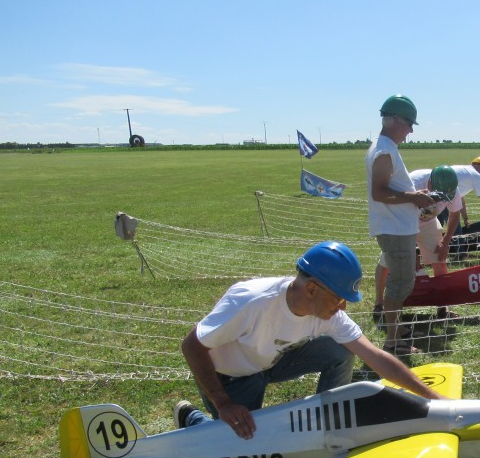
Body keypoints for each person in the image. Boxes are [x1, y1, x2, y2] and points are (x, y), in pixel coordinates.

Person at [174, 241, 446, 439]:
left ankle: (327, 424)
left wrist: (434, 400)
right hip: (231, 376)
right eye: (339, 298)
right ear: (312, 289)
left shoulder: (327, 311)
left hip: (272, 361)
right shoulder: (250, 301)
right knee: (240, 442)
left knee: (339, 351)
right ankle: (192, 418)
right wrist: (223, 403)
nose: (343, 308)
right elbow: (192, 346)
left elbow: (374, 356)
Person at [366, 94, 437, 356]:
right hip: (394, 229)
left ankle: (397, 329)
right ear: (396, 120)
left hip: (397, 227)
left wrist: (415, 199)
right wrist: (414, 198)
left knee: (401, 280)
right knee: (401, 282)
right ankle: (393, 340)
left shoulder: (385, 147)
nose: (410, 131)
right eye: (409, 125)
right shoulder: (384, 151)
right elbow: (379, 192)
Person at [373, 165, 462, 322]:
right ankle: (379, 304)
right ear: (429, 185)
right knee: (387, 262)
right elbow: (399, 214)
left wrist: (446, 241)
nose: (442, 201)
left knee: (439, 259)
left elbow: (455, 215)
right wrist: (412, 249)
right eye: (439, 196)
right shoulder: (411, 183)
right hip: (400, 222)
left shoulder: (452, 190)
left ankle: (442, 306)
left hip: (428, 221)